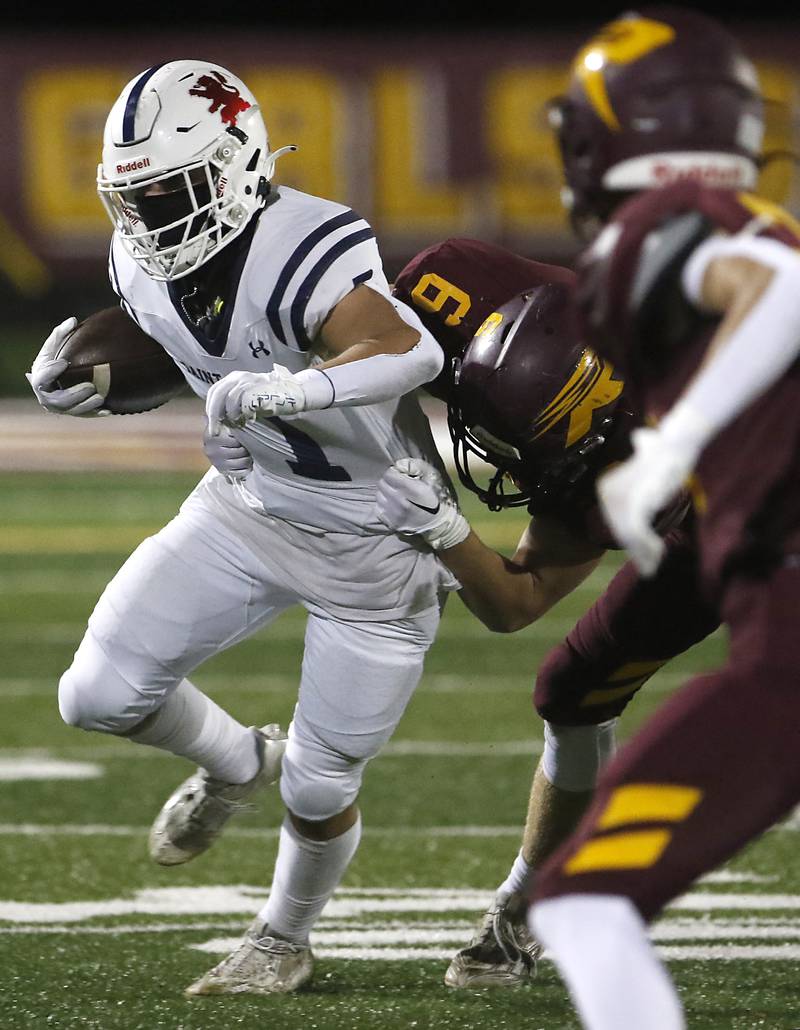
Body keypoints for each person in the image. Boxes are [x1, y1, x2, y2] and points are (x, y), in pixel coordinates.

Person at [26, 60, 457, 997]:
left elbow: (410, 347)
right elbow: (192, 348)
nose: (151, 221)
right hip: (249, 509)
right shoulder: (136, 254)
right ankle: (236, 761)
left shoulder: (304, 242)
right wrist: (96, 381)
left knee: (321, 785)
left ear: (237, 164)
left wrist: (296, 387)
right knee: (94, 695)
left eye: (173, 191)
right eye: (133, 198)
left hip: (371, 541)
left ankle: (283, 940)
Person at [519, 8, 800, 1029]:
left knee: (586, 903)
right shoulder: (738, 217)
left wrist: (676, 443)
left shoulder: (661, 223)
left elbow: (781, 290)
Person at [387, 236, 707, 990]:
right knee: (571, 695)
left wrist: (444, 531)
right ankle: (527, 905)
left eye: (527, 454)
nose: (506, 473)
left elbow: (517, 602)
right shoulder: (450, 285)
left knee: (590, 684)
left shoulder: (645, 457)